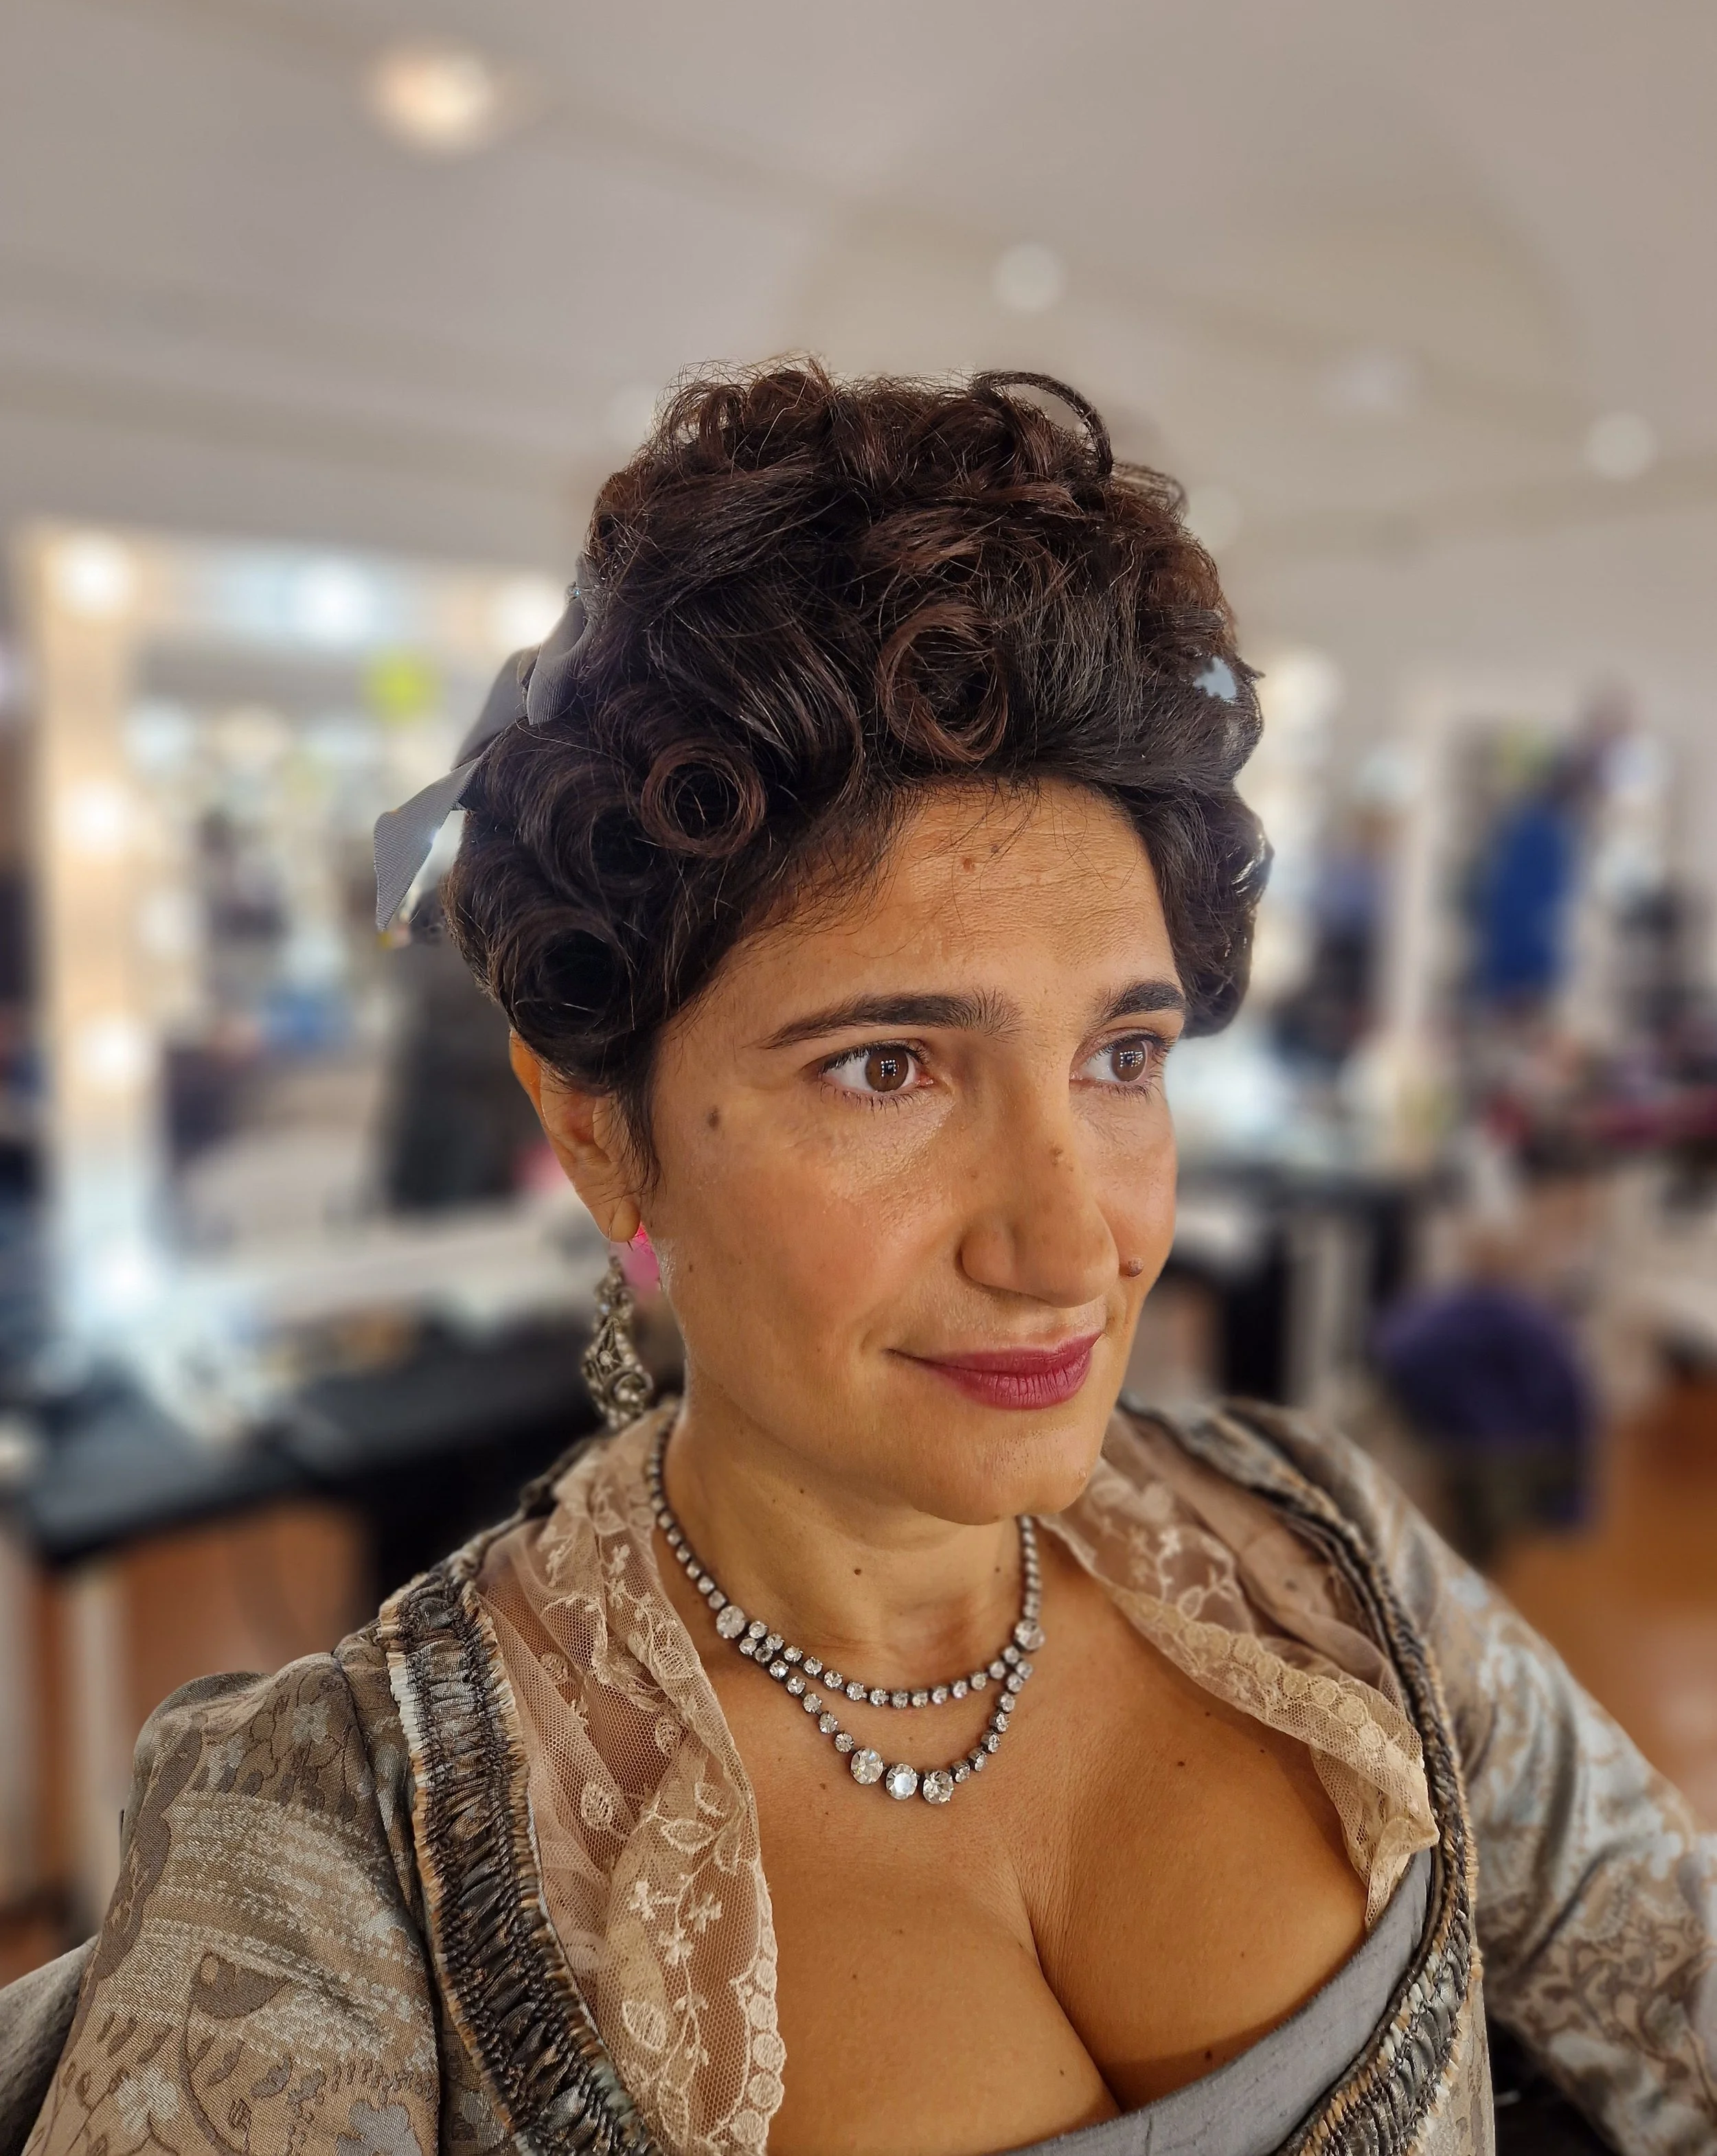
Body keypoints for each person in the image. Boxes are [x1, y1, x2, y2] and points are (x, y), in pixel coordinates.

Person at [9, 367, 1713, 2156]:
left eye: (1119, 1055)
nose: (1072, 1242)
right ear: (597, 1126)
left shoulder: (1329, 1553)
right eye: (884, 1065)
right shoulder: (336, 1835)